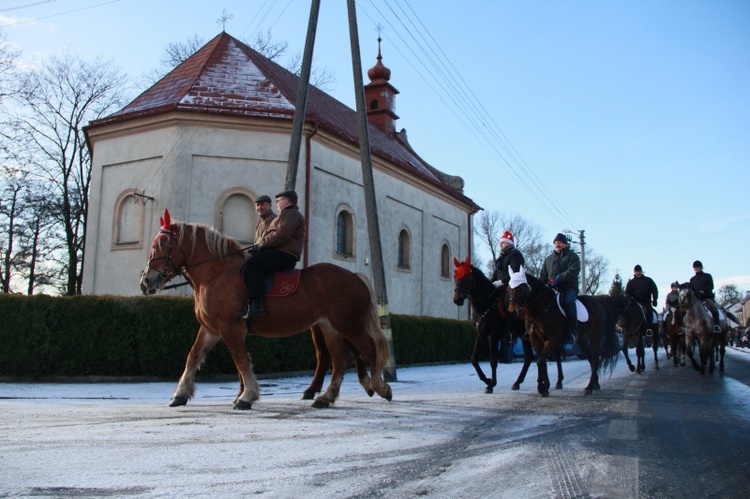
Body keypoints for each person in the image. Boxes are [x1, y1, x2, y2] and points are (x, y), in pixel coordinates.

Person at [237, 190, 305, 319]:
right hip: (279, 251)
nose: (277, 204)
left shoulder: (291, 214)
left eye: (278, 201)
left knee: (252, 264)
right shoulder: (285, 215)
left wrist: (261, 246)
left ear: (286, 201)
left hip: (286, 254)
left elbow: (281, 235)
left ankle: (257, 305)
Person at [539, 232, 581, 342]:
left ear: (566, 244)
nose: (557, 245)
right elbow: (543, 275)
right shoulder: (548, 259)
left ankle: (573, 330)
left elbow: (573, 271)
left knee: (568, 302)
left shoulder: (573, 256)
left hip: (568, 288)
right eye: (556, 243)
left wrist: (557, 279)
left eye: (560, 243)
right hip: (552, 290)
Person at [490, 230, 525, 356]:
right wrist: (490, 283)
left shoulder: (515, 255)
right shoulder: (501, 257)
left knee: (509, 303)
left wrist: (501, 282)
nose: (501, 245)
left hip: (511, 286)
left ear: (508, 243)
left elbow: (515, 272)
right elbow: (497, 271)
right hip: (499, 285)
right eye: (501, 243)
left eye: (503, 243)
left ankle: (511, 331)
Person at [625, 264, 659, 336]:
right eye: (636, 272)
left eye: (639, 271)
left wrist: (655, 299)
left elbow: (654, 290)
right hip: (635, 302)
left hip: (645, 301)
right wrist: (629, 299)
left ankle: (649, 328)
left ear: (641, 271)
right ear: (634, 272)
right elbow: (627, 292)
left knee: (649, 311)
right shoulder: (631, 283)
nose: (638, 273)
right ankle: (627, 328)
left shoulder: (648, 280)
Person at [689, 260, 721, 332]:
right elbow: (692, 289)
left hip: (707, 297)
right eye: (695, 267)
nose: (696, 268)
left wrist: (703, 291)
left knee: (714, 308)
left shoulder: (708, 276)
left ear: (701, 267)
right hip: (697, 299)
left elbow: (711, 286)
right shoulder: (692, 279)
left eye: (697, 267)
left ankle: (716, 325)